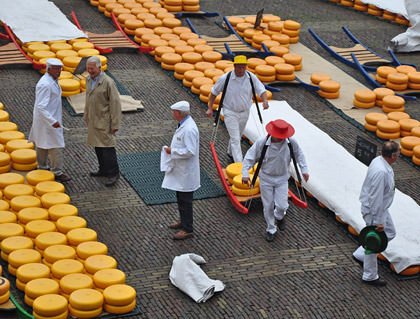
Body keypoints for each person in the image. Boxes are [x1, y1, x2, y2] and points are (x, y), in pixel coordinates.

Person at [241, 119, 309, 242]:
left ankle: (279, 216)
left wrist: (304, 170)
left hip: (282, 178)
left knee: (282, 205)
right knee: (268, 205)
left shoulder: (291, 143)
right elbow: (250, 157)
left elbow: (299, 155)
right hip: (266, 178)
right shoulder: (262, 143)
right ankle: (271, 229)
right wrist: (245, 173)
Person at [206, 55, 269, 163]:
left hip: (245, 112)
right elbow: (213, 93)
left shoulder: (251, 77)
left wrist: (265, 101)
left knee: (237, 135)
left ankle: (230, 153)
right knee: (235, 139)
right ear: (234, 66)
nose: (241, 70)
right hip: (230, 111)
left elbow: (261, 90)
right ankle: (240, 165)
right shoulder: (226, 78)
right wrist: (210, 108)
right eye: (239, 67)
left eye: (243, 67)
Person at [352, 141, 399, 287]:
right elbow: (375, 197)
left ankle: (360, 254)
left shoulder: (378, 161)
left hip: (380, 209)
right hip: (374, 210)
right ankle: (370, 275)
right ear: (392, 155)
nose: (399, 156)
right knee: (374, 241)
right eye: (398, 153)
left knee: (390, 232)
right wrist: (379, 220)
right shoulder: (381, 171)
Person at [162, 101, 200, 240]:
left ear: (179, 113)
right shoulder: (184, 125)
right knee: (181, 198)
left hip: (186, 172)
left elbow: (190, 151)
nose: (173, 114)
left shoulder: (189, 129)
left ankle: (188, 228)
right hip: (181, 170)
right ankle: (183, 222)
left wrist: (173, 151)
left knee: (186, 201)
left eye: (174, 112)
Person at [29, 58, 71, 182]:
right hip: (48, 121)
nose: (59, 71)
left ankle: (42, 167)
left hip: (48, 120)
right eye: (56, 69)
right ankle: (57, 171)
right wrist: (52, 121)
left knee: (43, 144)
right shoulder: (45, 84)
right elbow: (40, 106)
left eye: (60, 69)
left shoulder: (52, 80)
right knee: (56, 146)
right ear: (49, 69)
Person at [84, 55, 122, 187]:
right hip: (94, 120)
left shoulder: (108, 82)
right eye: (88, 68)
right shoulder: (89, 79)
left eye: (92, 69)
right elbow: (88, 99)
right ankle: (103, 169)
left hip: (105, 121)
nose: (90, 71)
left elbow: (115, 104)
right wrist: (86, 116)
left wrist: (115, 124)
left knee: (107, 148)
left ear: (99, 68)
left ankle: (113, 173)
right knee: (98, 146)